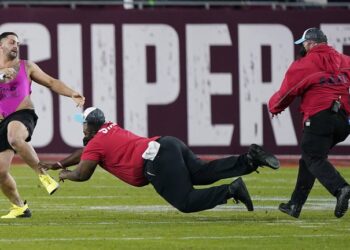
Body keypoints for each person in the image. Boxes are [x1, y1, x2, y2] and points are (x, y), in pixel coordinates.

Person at [41, 107, 280, 213]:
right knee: (202, 172)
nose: (81, 127)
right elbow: (86, 153)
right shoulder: (108, 128)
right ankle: (249, 160)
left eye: (82, 123)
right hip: (168, 143)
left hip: (154, 161)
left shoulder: (95, 142)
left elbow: (84, 173)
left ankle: (231, 190)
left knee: (186, 202)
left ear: (89, 126)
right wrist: (60, 163)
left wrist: (65, 175)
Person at [0, 32, 85, 218]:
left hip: (23, 115)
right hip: (1, 123)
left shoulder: (26, 66)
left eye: (18, 43)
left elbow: (51, 82)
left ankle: (43, 175)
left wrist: (72, 93)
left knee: (15, 136)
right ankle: (19, 207)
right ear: (1, 46)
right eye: (11, 42)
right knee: (0, 171)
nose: (16, 46)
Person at [268, 28, 350, 218]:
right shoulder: (344, 60)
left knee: (312, 157)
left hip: (320, 117)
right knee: (310, 158)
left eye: (304, 44)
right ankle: (295, 205)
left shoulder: (306, 63)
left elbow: (287, 92)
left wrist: (273, 107)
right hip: (343, 122)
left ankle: (340, 188)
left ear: (312, 44)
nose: (303, 47)